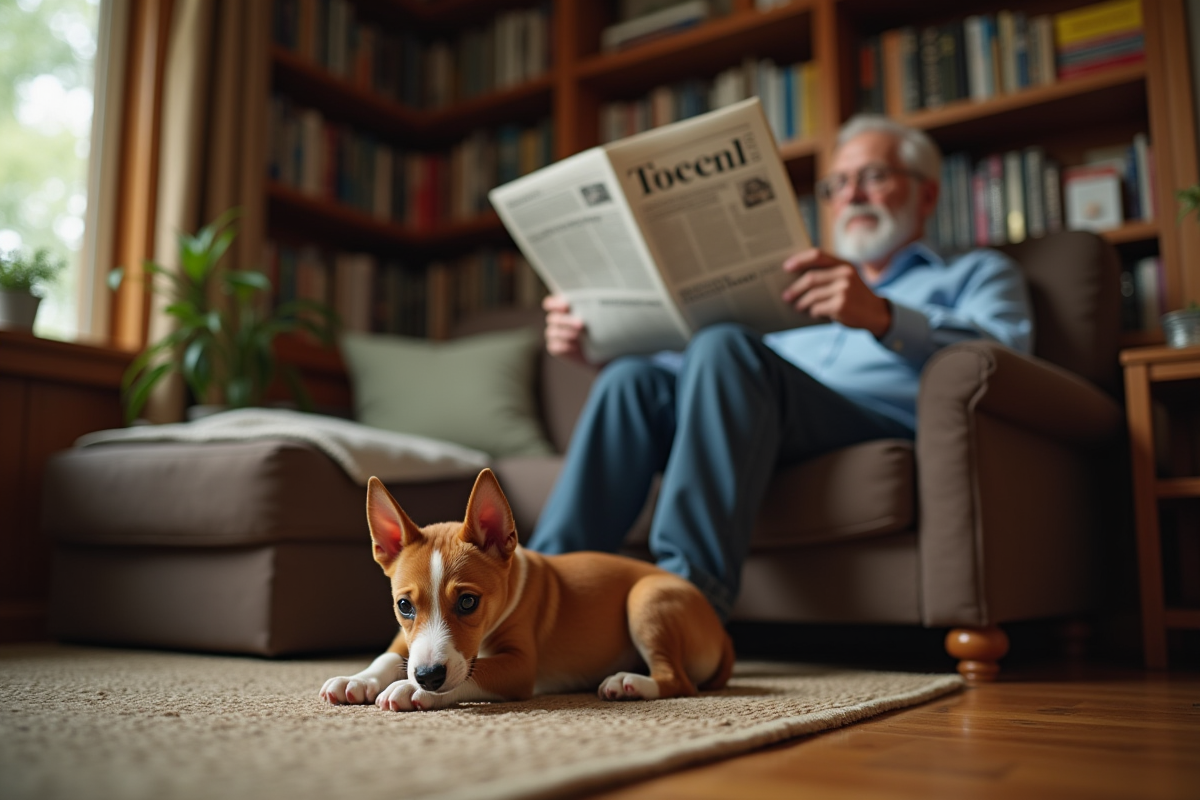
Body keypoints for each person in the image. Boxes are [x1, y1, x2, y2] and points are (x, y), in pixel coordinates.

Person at [524, 114, 1034, 622]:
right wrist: (597, 352)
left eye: (874, 176)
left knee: (725, 346)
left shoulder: (977, 272)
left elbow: (1004, 355)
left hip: (868, 420)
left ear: (926, 195)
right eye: (837, 184)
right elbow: (689, 374)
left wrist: (881, 316)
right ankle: (534, 596)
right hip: (753, 417)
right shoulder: (794, 280)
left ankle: (682, 607)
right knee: (630, 379)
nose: (851, 194)